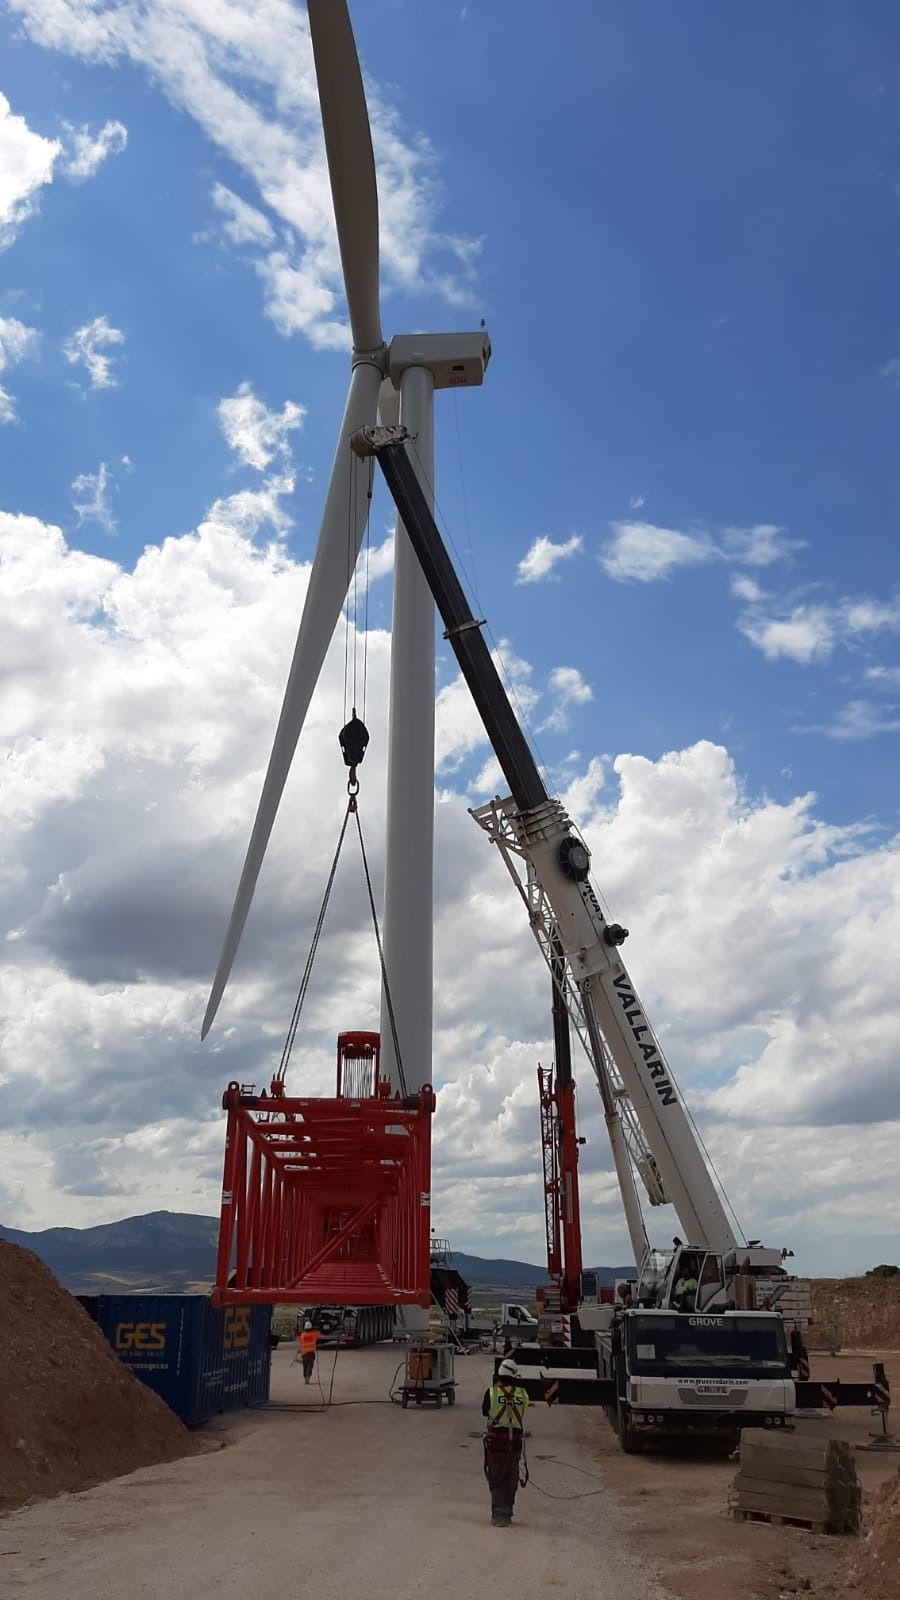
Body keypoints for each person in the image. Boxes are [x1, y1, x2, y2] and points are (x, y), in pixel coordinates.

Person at [481, 1357, 530, 1527]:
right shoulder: (523, 1394)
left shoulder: (491, 1393)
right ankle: (507, 1511)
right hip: (514, 1443)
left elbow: (485, 1411)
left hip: (496, 1443)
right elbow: (522, 1410)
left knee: (496, 1477)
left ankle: (499, 1514)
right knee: (511, 1476)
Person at [297, 1319, 320, 1385]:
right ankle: (308, 1378)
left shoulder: (302, 1335)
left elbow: (300, 1341)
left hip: (304, 1353)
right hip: (311, 1353)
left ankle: (305, 1378)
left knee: (305, 1366)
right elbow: (318, 1333)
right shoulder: (314, 1334)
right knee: (310, 1366)